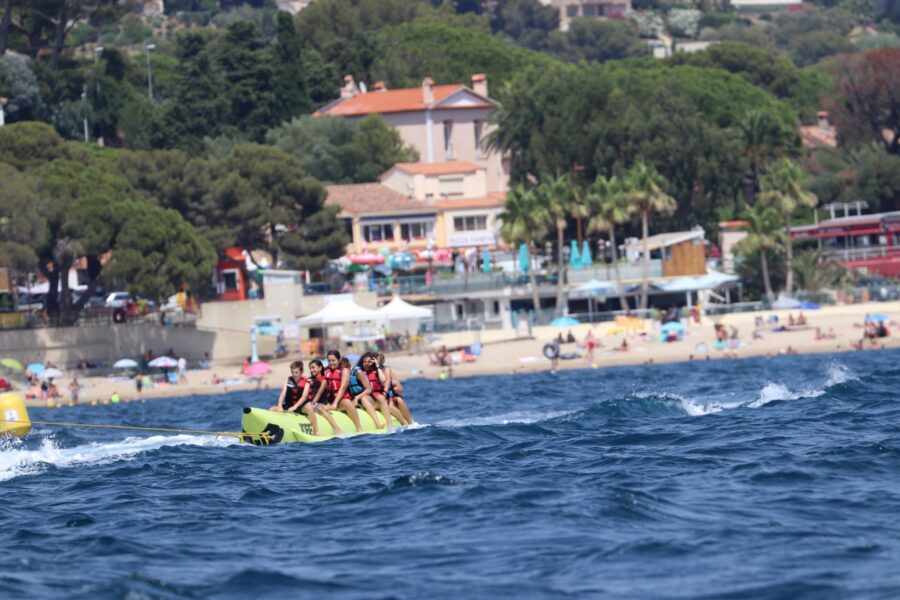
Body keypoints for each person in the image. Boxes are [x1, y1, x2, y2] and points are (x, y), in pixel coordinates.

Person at [321, 351, 364, 433]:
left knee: (348, 403)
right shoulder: (325, 371)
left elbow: (343, 387)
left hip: (341, 400)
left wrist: (335, 403)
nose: (331, 363)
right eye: (329, 361)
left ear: (339, 360)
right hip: (328, 401)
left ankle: (359, 427)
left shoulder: (344, 371)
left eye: (333, 360)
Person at [347, 354, 387, 429]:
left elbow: (383, 380)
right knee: (364, 398)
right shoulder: (359, 371)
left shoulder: (377, 370)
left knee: (370, 398)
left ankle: (379, 423)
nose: (366, 364)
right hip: (366, 399)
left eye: (369, 362)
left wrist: (377, 366)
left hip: (376, 398)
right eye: (364, 362)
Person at [377, 353, 414, 425]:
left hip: (389, 396)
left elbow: (400, 388)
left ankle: (410, 422)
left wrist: (387, 391)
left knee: (399, 400)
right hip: (379, 397)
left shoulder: (387, 371)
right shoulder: (367, 372)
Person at [307, 359, 342, 435]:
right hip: (311, 403)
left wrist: (313, 403)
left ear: (320, 368)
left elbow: (319, 393)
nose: (311, 370)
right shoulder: (309, 380)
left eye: (313, 367)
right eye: (310, 368)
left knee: (320, 409)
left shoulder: (324, 380)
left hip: (321, 403)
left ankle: (336, 428)